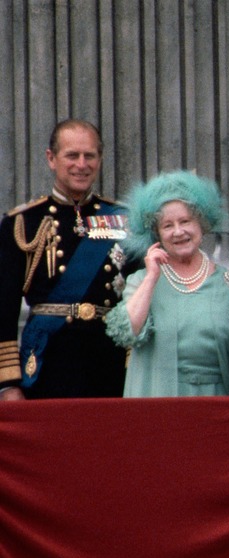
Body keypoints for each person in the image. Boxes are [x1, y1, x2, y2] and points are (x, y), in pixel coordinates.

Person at [0, 119, 138, 400]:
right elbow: (4, 308)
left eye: (90, 155)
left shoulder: (125, 220)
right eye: (72, 155)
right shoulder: (23, 222)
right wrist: (7, 383)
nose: (82, 164)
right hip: (48, 361)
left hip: (108, 362)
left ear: (99, 160)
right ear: (51, 158)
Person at [104, 170, 229, 397]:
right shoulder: (141, 281)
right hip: (160, 401)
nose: (178, 232)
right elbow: (125, 334)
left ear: (202, 224)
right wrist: (152, 277)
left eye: (185, 221)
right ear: (157, 234)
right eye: (167, 225)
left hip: (217, 401)